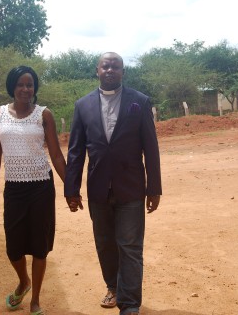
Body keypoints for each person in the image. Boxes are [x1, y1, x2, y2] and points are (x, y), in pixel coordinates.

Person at [64, 52, 162, 315]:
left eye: (115, 66)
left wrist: (154, 188)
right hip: (98, 188)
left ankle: (129, 304)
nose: (110, 70)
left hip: (130, 188)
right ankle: (113, 287)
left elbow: (151, 148)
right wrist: (71, 189)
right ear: (97, 70)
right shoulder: (82, 105)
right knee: (105, 243)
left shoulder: (139, 102)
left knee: (130, 245)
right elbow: (75, 152)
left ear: (123, 71)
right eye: (105, 66)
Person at [0, 65, 66, 315]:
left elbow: (54, 153)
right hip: (14, 189)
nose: (25, 89)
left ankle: (36, 301)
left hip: (41, 186)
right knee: (14, 247)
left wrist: (71, 187)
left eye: (29, 84)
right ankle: (23, 281)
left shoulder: (44, 115)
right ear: (12, 87)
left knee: (40, 245)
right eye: (20, 84)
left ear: (35, 88)